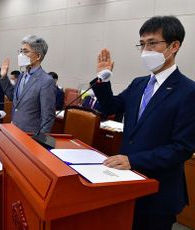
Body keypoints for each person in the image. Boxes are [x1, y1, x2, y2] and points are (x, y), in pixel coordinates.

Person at [91, 16, 195, 230]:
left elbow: (181, 148)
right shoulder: (139, 84)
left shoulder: (188, 91)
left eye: (153, 43)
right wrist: (103, 80)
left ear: (174, 46)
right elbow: (111, 107)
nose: (145, 50)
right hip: (128, 182)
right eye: (142, 44)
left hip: (159, 191)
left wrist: (133, 160)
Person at [0, 35, 56, 133]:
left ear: (38, 56)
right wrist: (4, 77)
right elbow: (13, 97)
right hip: (14, 129)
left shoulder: (46, 81)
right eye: (20, 51)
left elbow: (48, 117)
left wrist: (40, 140)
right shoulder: (22, 75)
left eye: (25, 51)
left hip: (30, 134)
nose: (21, 55)